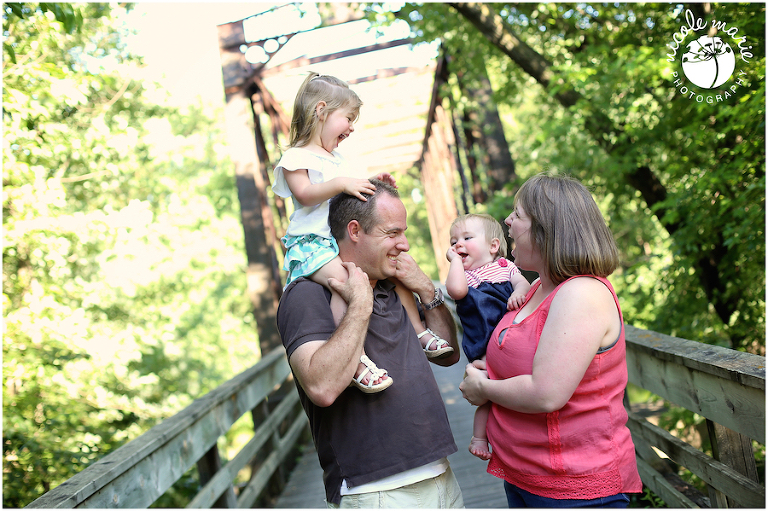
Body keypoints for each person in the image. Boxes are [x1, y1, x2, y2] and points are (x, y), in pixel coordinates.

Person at [276, 179, 465, 508]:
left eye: (403, 232)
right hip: (374, 491)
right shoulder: (307, 294)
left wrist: (426, 290)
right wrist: (360, 304)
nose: (404, 244)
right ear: (354, 231)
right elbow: (321, 387)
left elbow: (448, 354)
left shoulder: (393, 285)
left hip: (440, 474)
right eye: (392, 233)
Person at [459, 173, 642, 507]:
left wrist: (483, 388)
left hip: (573, 488)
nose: (507, 221)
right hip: (524, 475)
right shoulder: (535, 289)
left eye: (517, 214)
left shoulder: (581, 293)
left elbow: (546, 393)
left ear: (546, 230)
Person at [272, 72, 453, 394]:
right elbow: (305, 194)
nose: (352, 127)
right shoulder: (296, 157)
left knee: (395, 272)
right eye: (348, 118)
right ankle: (355, 360)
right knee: (348, 284)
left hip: (336, 239)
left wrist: (372, 183)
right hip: (314, 244)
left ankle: (420, 332)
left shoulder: (338, 159)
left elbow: (349, 198)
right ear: (321, 111)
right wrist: (342, 183)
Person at [445, 213, 531, 461]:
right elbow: (456, 291)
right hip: (483, 344)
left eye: (467, 238)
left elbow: (523, 284)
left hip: (511, 338)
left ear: (493, 246)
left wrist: (518, 292)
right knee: (487, 392)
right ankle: (479, 438)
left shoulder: (505, 266)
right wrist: (455, 263)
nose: (458, 245)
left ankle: (520, 434)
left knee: (515, 386)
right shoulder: (465, 276)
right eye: (453, 241)